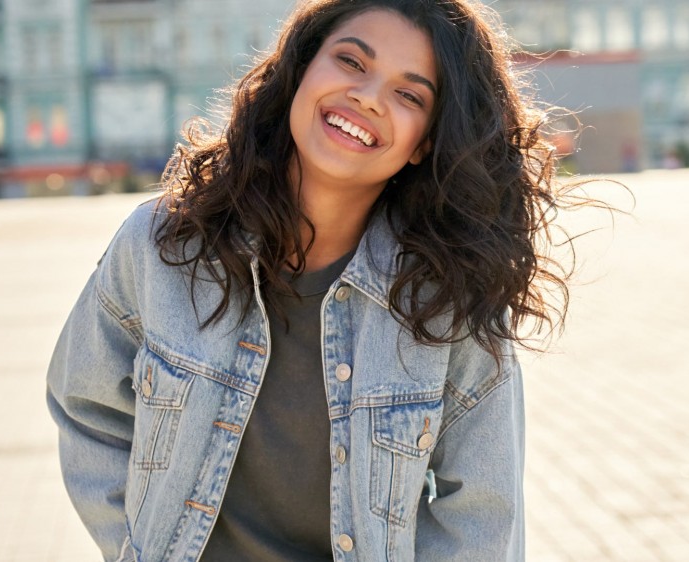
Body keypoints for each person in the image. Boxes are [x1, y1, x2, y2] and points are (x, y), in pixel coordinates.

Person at [47, 0, 575, 560]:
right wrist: (138, 549)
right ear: (301, 69)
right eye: (351, 62)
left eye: (409, 95)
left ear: (424, 141)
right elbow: (85, 406)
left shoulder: (448, 303)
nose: (368, 97)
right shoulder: (165, 245)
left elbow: (485, 517)